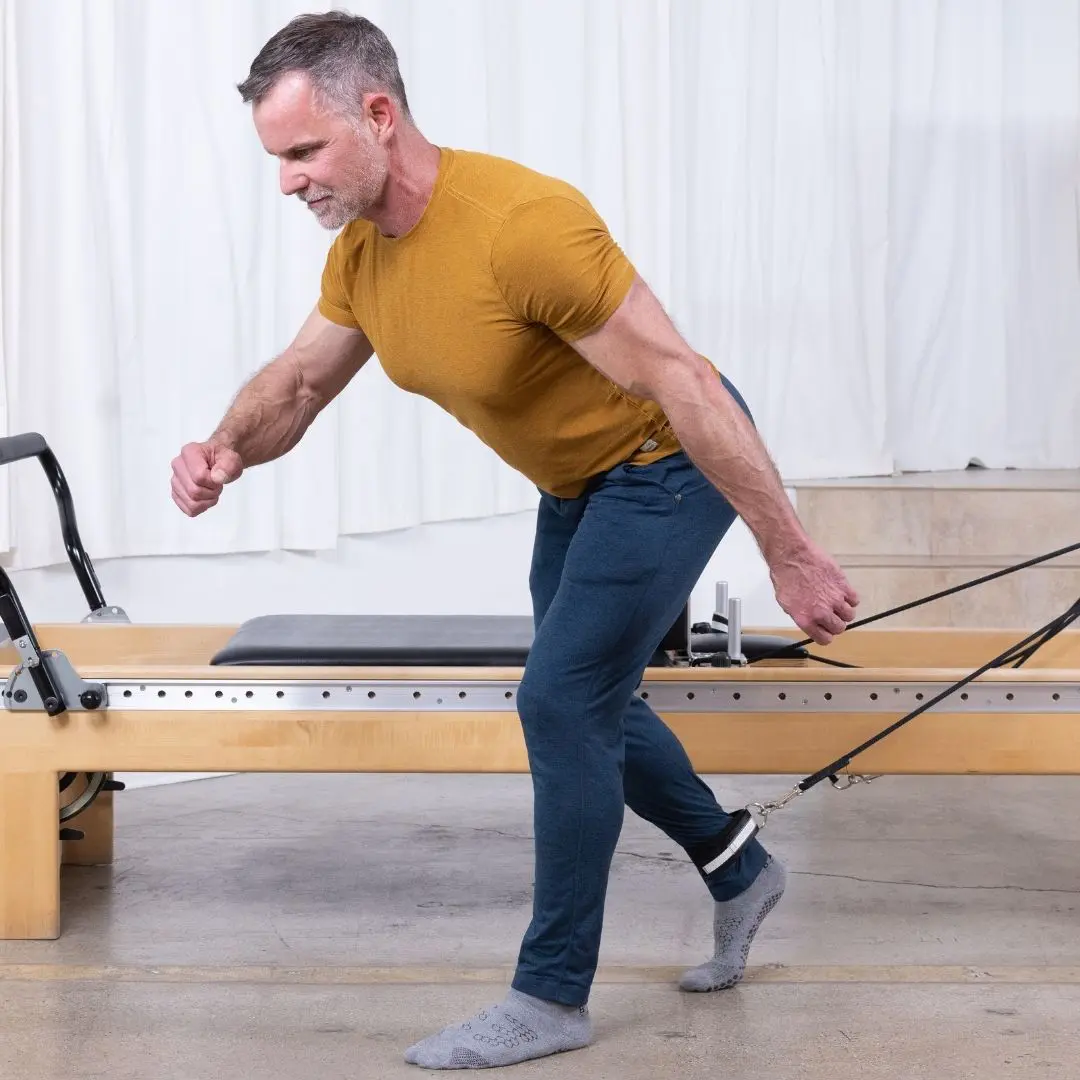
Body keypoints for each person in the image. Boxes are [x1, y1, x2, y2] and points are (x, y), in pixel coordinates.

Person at [172, 11, 859, 1071]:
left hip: (669, 462)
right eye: (278, 158)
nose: (289, 183)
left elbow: (685, 381)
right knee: (589, 700)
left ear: (380, 115)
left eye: (304, 152)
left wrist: (790, 549)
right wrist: (224, 447)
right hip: (579, 482)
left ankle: (550, 996)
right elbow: (301, 380)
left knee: (559, 698)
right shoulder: (365, 254)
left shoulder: (519, 223)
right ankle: (737, 865)